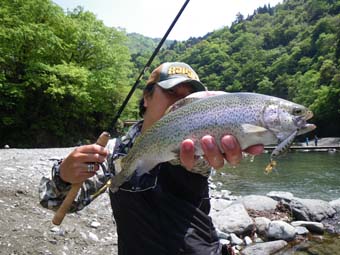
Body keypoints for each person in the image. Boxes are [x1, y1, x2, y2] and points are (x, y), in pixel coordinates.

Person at [39, 62, 264, 255]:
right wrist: (64, 176)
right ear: (146, 97)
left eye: (190, 97)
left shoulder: (198, 147)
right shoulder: (112, 152)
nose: (180, 103)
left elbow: (201, 165)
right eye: (172, 92)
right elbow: (56, 203)